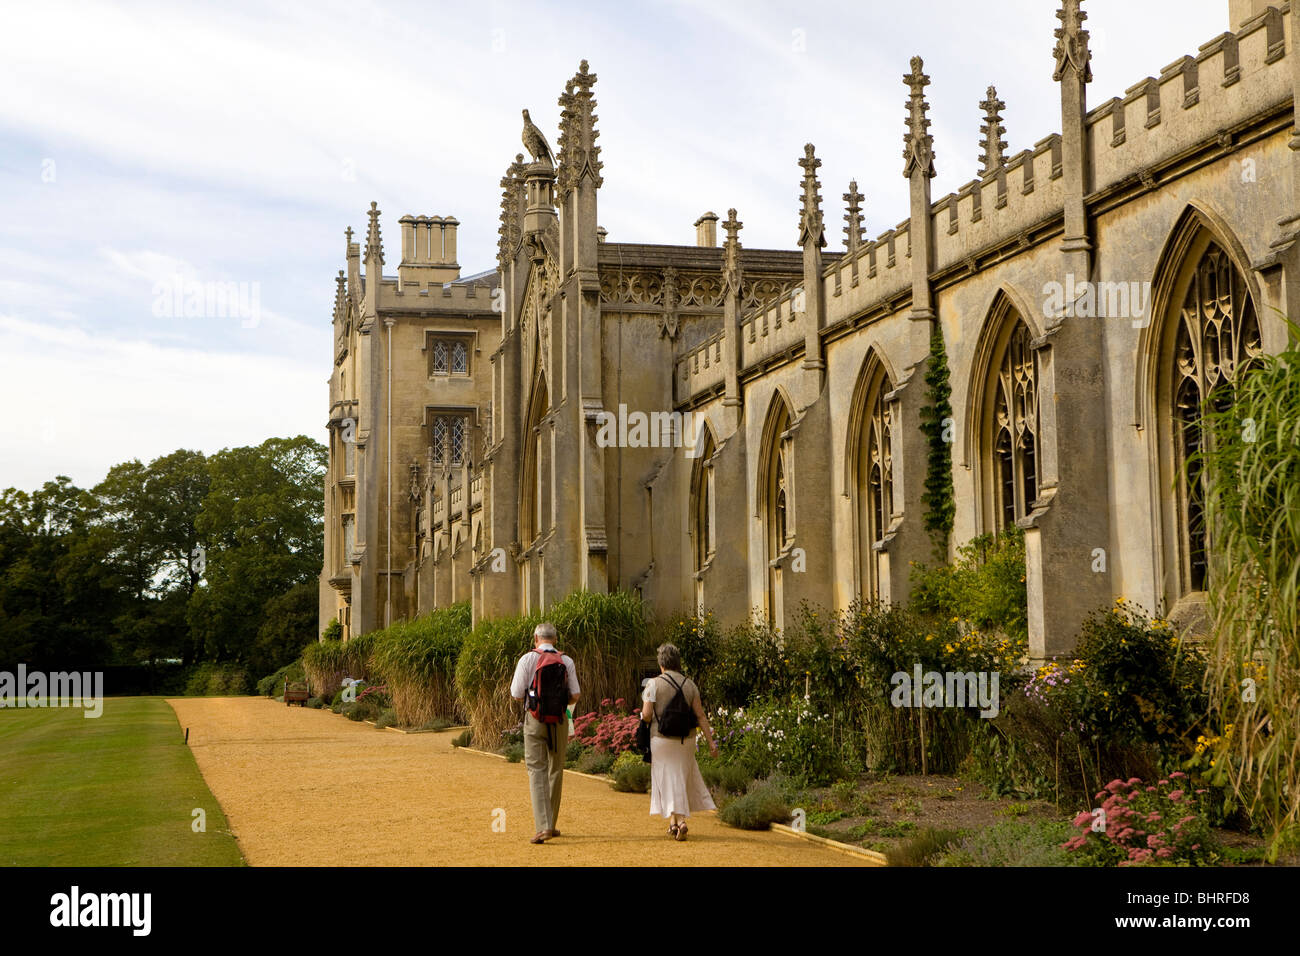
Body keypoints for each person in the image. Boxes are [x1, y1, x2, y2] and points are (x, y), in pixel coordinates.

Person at [509, 622, 580, 844]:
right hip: (559, 720)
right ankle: (552, 823)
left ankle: (543, 826)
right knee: (555, 769)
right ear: (555, 640)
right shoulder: (566, 660)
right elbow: (575, 694)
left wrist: (534, 701)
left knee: (536, 769)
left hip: (535, 719)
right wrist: (559, 704)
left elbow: (516, 694)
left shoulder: (527, 659)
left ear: (535, 638)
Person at [639, 642, 718, 841]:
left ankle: (681, 821)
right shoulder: (690, 684)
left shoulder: (653, 684)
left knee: (667, 780)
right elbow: (700, 715)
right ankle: (673, 824)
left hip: (662, 739)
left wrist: (642, 718)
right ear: (678, 663)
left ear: (661, 664)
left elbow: (647, 715)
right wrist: (711, 742)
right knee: (678, 779)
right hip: (686, 739)